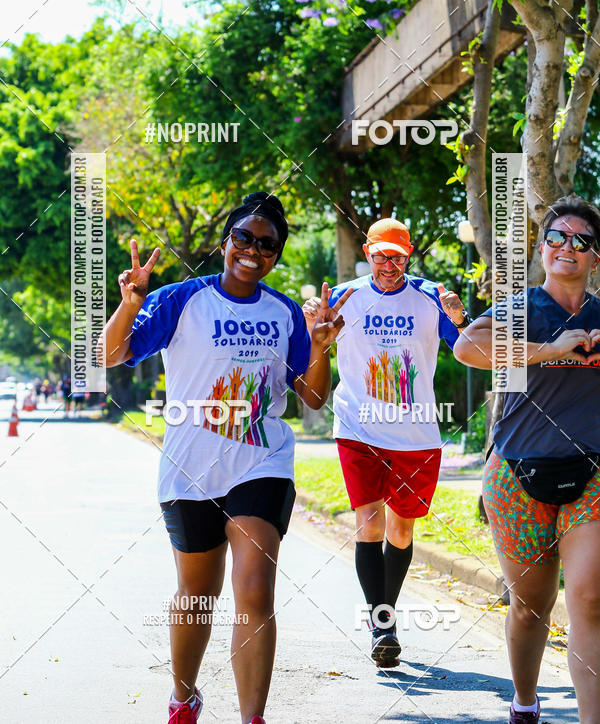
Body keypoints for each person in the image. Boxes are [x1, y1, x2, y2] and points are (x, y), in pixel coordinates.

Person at [100, 192, 350, 724]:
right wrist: (129, 303)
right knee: (197, 595)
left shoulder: (284, 312)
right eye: (244, 237)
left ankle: (252, 718)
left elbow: (312, 397)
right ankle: (184, 696)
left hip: (261, 462)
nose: (253, 250)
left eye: (267, 244)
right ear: (225, 241)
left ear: (276, 256)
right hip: (189, 466)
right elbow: (112, 355)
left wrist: (322, 345)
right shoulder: (180, 299)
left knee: (254, 590)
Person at [453, 196, 600, 724]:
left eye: (581, 241)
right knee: (531, 605)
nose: (568, 247)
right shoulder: (520, 308)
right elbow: (467, 349)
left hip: (593, 474)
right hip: (516, 473)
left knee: (587, 599)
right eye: (557, 237)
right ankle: (525, 702)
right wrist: (553, 348)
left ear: (595, 257)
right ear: (541, 249)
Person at [303, 217, 469, 667]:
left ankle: (387, 610)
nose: (388, 264)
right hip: (358, 426)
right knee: (369, 525)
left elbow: (467, 346)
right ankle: (382, 625)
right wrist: (309, 319)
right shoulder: (345, 296)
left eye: (396, 256)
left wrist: (460, 317)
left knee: (401, 529)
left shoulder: (432, 297)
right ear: (368, 253)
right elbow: (311, 338)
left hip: (415, 433)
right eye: (380, 256)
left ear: (409, 253)